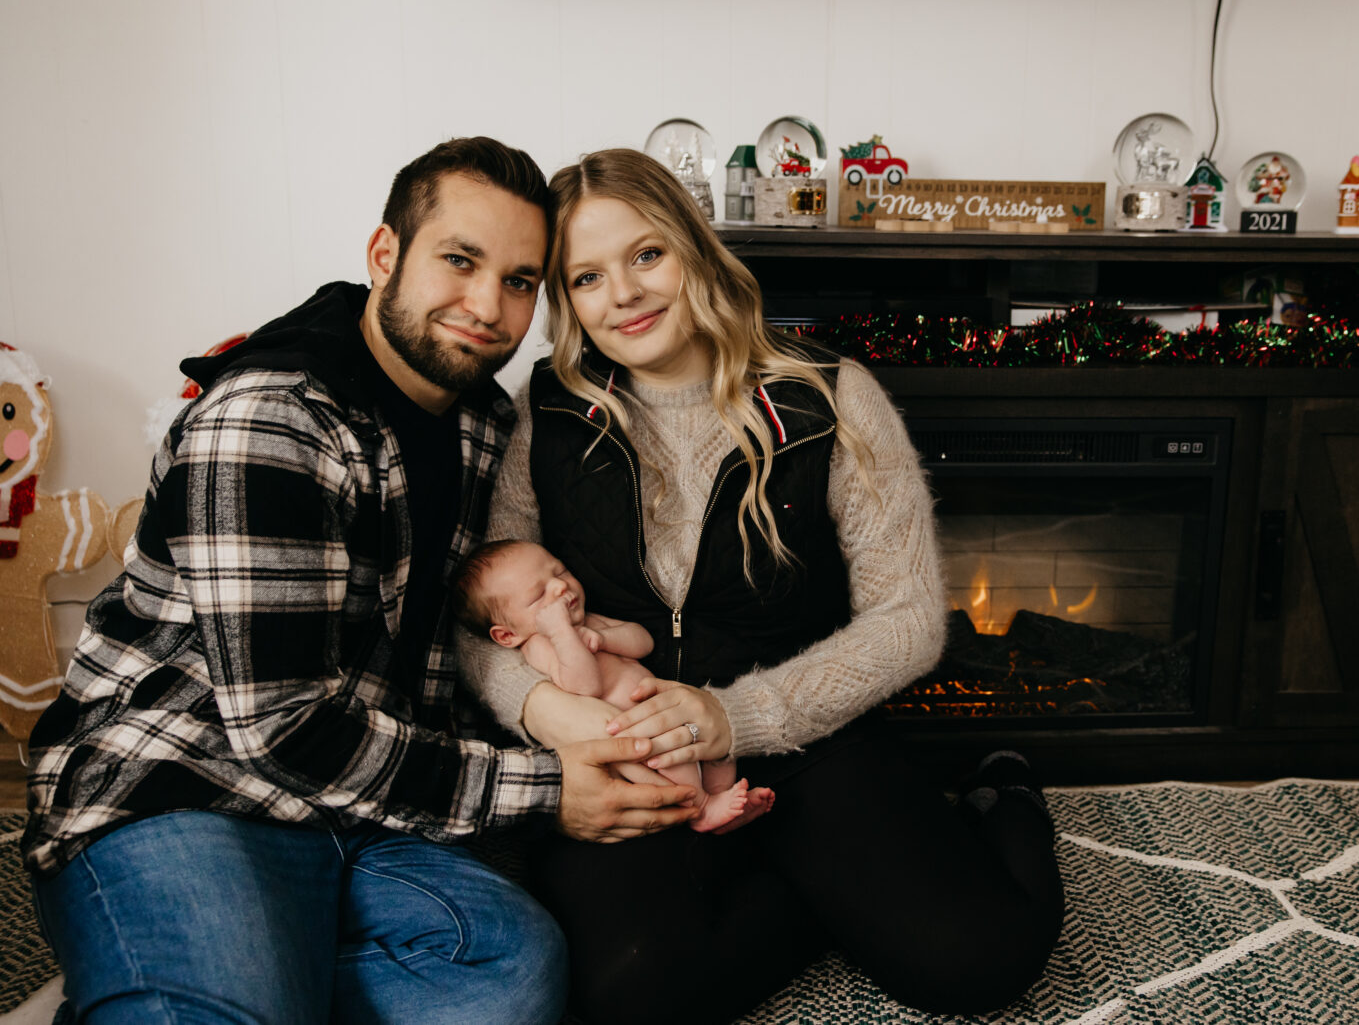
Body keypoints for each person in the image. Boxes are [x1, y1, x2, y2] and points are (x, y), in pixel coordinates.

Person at [22, 137, 700, 1025]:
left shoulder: (484, 421)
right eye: (460, 260)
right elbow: (282, 727)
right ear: (386, 255)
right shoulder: (269, 418)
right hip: (189, 784)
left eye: (520, 279)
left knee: (512, 976)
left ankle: (194, 983)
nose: (487, 305)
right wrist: (545, 786)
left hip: (366, 809)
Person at [458, 147, 1064, 1024]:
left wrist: (735, 717)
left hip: (810, 734)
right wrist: (550, 714)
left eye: (647, 254)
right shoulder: (547, 411)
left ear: (695, 248)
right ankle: (814, 889)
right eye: (586, 276)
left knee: (978, 963)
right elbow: (482, 621)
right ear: (566, 298)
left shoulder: (829, 394)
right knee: (620, 994)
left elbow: (907, 624)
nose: (622, 294)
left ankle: (1004, 794)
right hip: (636, 752)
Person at [453, 538, 774, 833]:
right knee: (673, 761)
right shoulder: (539, 645)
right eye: (538, 594)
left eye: (559, 571)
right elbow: (585, 685)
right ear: (507, 635)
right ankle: (702, 810)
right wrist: (564, 634)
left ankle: (721, 798)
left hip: (664, 711)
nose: (559, 586)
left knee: (717, 748)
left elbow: (642, 642)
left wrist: (605, 637)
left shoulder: (589, 620)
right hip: (634, 734)